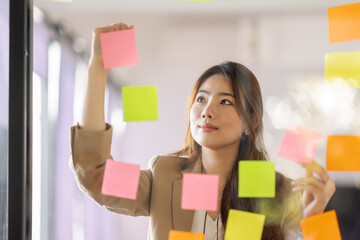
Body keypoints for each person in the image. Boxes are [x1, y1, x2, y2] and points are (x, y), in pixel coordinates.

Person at [70, 23, 336, 240]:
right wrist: (97, 69)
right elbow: (96, 173)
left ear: (250, 122)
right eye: (201, 99)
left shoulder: (278, 190)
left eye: (225, 102)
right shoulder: (165, 176)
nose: (207, 111)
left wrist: (313, 221)